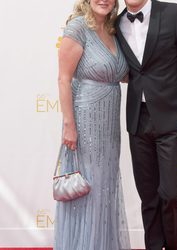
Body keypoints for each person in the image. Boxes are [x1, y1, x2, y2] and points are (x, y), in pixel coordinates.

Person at [116, 0, 177, 249]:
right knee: (149, 197)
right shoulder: (116, 22)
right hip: (138, 119)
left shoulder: (175, 13)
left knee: (171, 193)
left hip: (174, 119)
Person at [54, 0, 131, 249]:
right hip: (85, 121)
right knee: (89, 187)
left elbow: (128, 74)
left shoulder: (113, 31)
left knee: (105, 188)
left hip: (109, 124)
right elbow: (64, 79)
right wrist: (69, 125)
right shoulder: (78, 27)